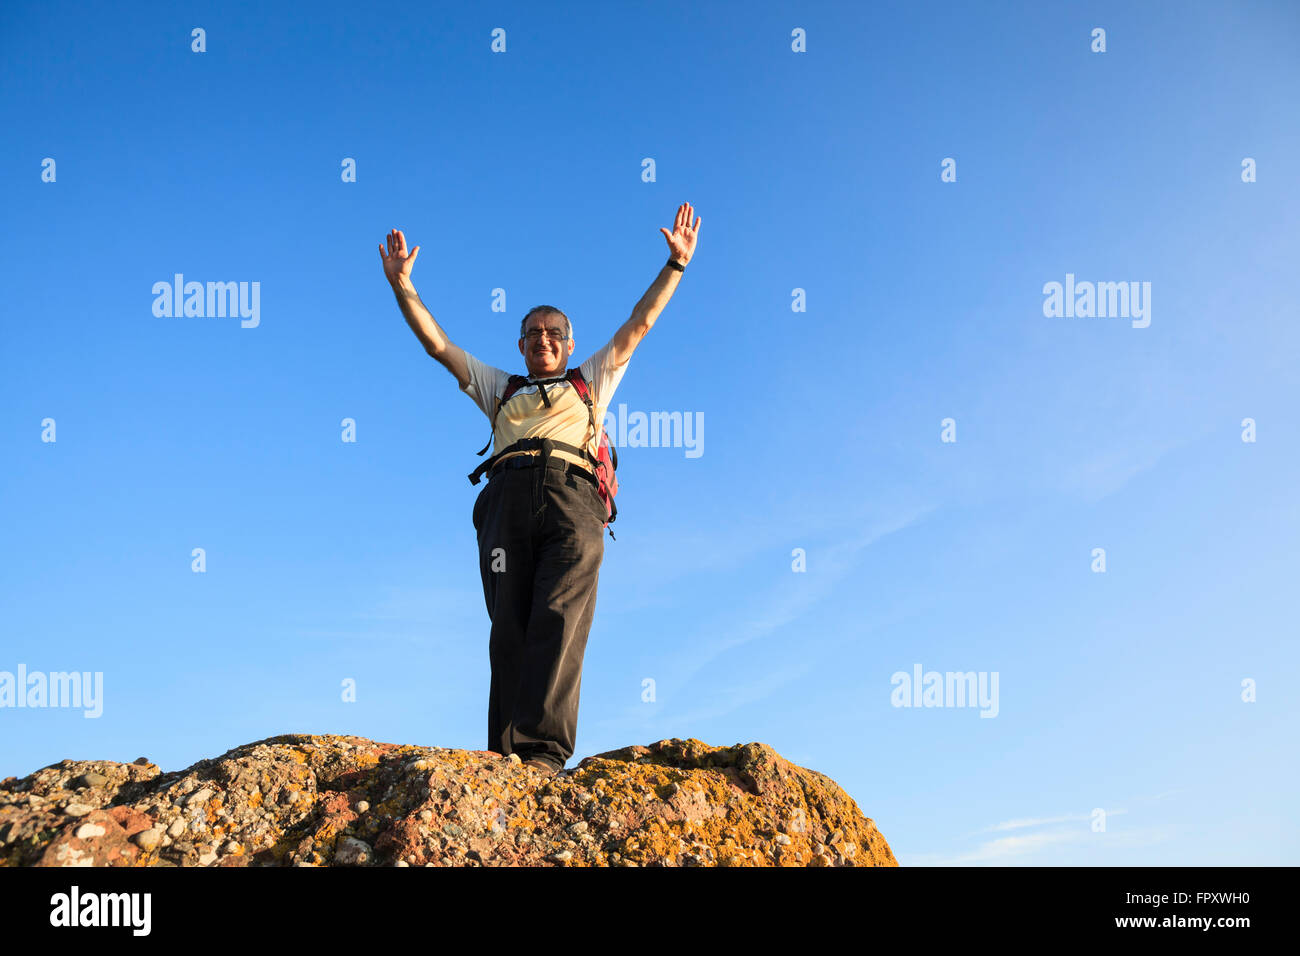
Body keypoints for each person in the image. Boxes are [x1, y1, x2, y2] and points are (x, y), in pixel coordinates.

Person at [379, 203, 702, 775]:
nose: (544, 340)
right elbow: (438, 345)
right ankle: (503, 753)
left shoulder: (591, 381)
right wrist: (404, 286)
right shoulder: (500, 388)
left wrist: (675, 265)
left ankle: (542, 753)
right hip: (505, 500)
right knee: (509, 626)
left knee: (558, 617)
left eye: (554, 333)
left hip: (572, 501)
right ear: (521, 345)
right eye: (533, 334)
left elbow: (639, 324)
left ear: (569, 343)